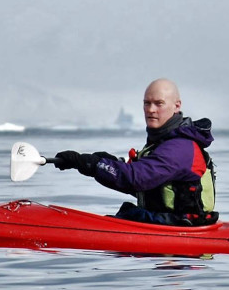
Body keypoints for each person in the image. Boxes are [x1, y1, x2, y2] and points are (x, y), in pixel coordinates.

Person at [54, 78, 217, 226]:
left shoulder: (180, 148)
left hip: (181, 232)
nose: (151, 110)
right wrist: (99, 165)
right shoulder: (162, 143)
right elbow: (145, 186)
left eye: (158, 103)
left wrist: (93, 164)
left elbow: (135, 178)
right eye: (147, 103)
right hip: (164, 224)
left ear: (177, 106)